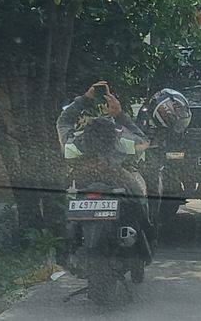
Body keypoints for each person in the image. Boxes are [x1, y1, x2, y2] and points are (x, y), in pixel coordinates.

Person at [56, 81, 151, 227]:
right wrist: (119, 114)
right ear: (115, 135)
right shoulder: (123, 143)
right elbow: (144, 141)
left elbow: (63, 122)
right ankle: (147, 230)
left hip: (82, 182)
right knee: (140, 200)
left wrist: (86, 98)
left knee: (60, 202)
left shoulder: (73, 144)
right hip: (116, 179)